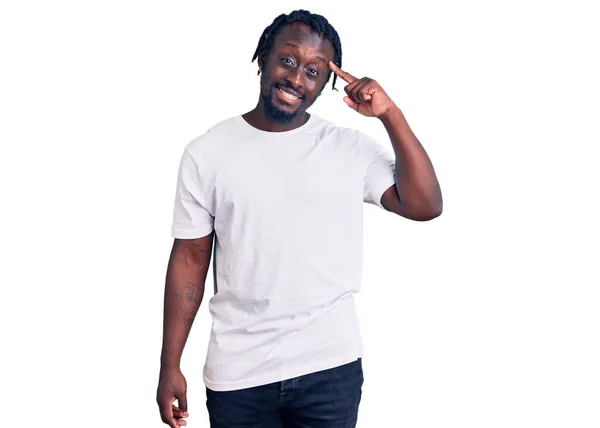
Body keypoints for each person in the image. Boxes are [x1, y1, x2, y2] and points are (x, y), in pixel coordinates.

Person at [156, 9, 442, 428]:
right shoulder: (208, 152)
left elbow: (424, 205)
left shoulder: (347, 148)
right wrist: (170, 364)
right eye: (287, 61)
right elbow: (190, 260)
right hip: (239, 374)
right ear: (262, 58)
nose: (296, 79)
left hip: (329, 370)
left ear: (324, 84)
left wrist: (389, 114)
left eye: (313, 71)